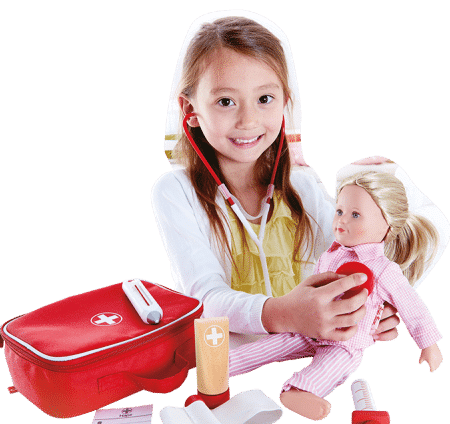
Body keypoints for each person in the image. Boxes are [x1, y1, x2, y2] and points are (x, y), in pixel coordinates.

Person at [151, 10, 409, 346]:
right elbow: (205, 300)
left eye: (264, 99)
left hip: (310, 356)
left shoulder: (303, 186)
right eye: (226, 101)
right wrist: (285, 313)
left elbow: (351, 258)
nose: (248, 120)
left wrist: (375, 306)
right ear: (190, 111)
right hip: (230, 365)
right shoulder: (175, 192)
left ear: (285, 103)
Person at [229, 171, 444, 420]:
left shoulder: (385, 270)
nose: (342, 220)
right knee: (271, 344)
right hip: (308, 328)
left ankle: (300, 390)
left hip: (346, 342)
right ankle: (225, 364)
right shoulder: (330, 255)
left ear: (387, 225)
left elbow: (412, 307)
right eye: (340, 211)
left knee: (331, 365)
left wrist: (428, 344)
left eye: (355, 215)